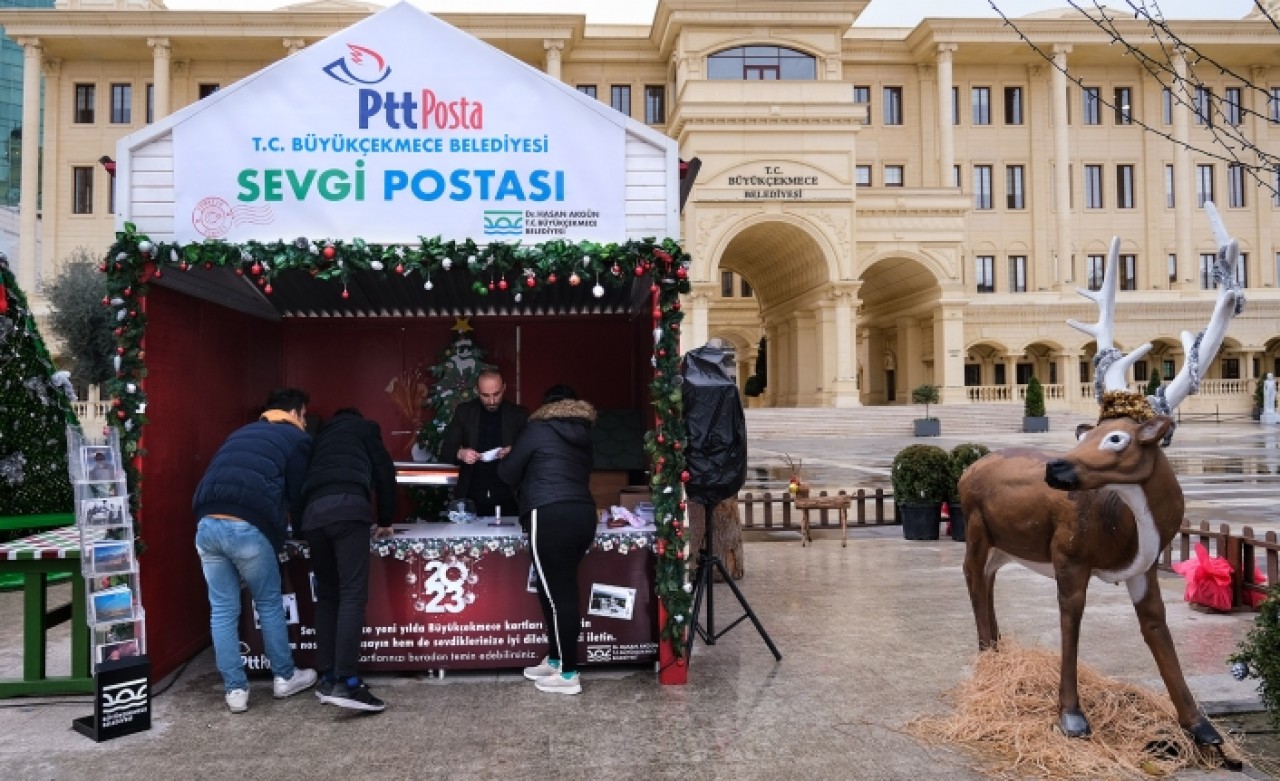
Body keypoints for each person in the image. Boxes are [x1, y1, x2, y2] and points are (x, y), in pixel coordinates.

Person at [192, 387, 317, 714]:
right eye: (304, 415)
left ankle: (235, 691)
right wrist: (302, 532)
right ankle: (285, 677)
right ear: (296, 412)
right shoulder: (296, 440)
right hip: (247, 527)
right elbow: (298, 492)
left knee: (222, 610)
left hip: (206, 523)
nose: (305, 421)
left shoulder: (242, 432)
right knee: (269, 604)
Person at [498, 384, 597, 695]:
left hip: (549, 513)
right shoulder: (584, 434)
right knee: (552, 588)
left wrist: (512, 456)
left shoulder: (537, 429)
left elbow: (508, 473)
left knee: (559, 595)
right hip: (583, 513)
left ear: (547, 406)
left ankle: (568, 674)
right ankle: (556, 660)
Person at [300, 407, 397, 713]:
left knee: (328, 596)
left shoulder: (319, 437)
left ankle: (328, 677)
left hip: (313, 515)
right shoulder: (366, 428)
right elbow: (384, 472)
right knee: (353, 594)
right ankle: (348, 683)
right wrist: (385, 519)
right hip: (348, 509)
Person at [441, 369, 528, 517]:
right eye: (485, 395)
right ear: (477, 391)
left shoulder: (518, 414)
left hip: (510, 495)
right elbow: (446, 450)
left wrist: (513, 452)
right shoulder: (464, 412)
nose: (492, 401)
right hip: (472, 496)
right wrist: (461, 453)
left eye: (496, 394)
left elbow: (531, 451)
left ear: (504, 388)